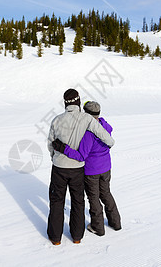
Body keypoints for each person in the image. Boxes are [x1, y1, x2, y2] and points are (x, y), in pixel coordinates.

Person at [47, 89, 115, 245]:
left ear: (65, 103)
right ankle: (77, 237)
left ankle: (55, 238)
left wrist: (54, 157)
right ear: (78, 102)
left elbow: (50, 144)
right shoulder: (87, 119)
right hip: (77, 168)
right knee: (78, 201)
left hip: (59, 167)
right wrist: (109, 144)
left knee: (57, 201)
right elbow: (107, 138)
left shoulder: (56, 120)